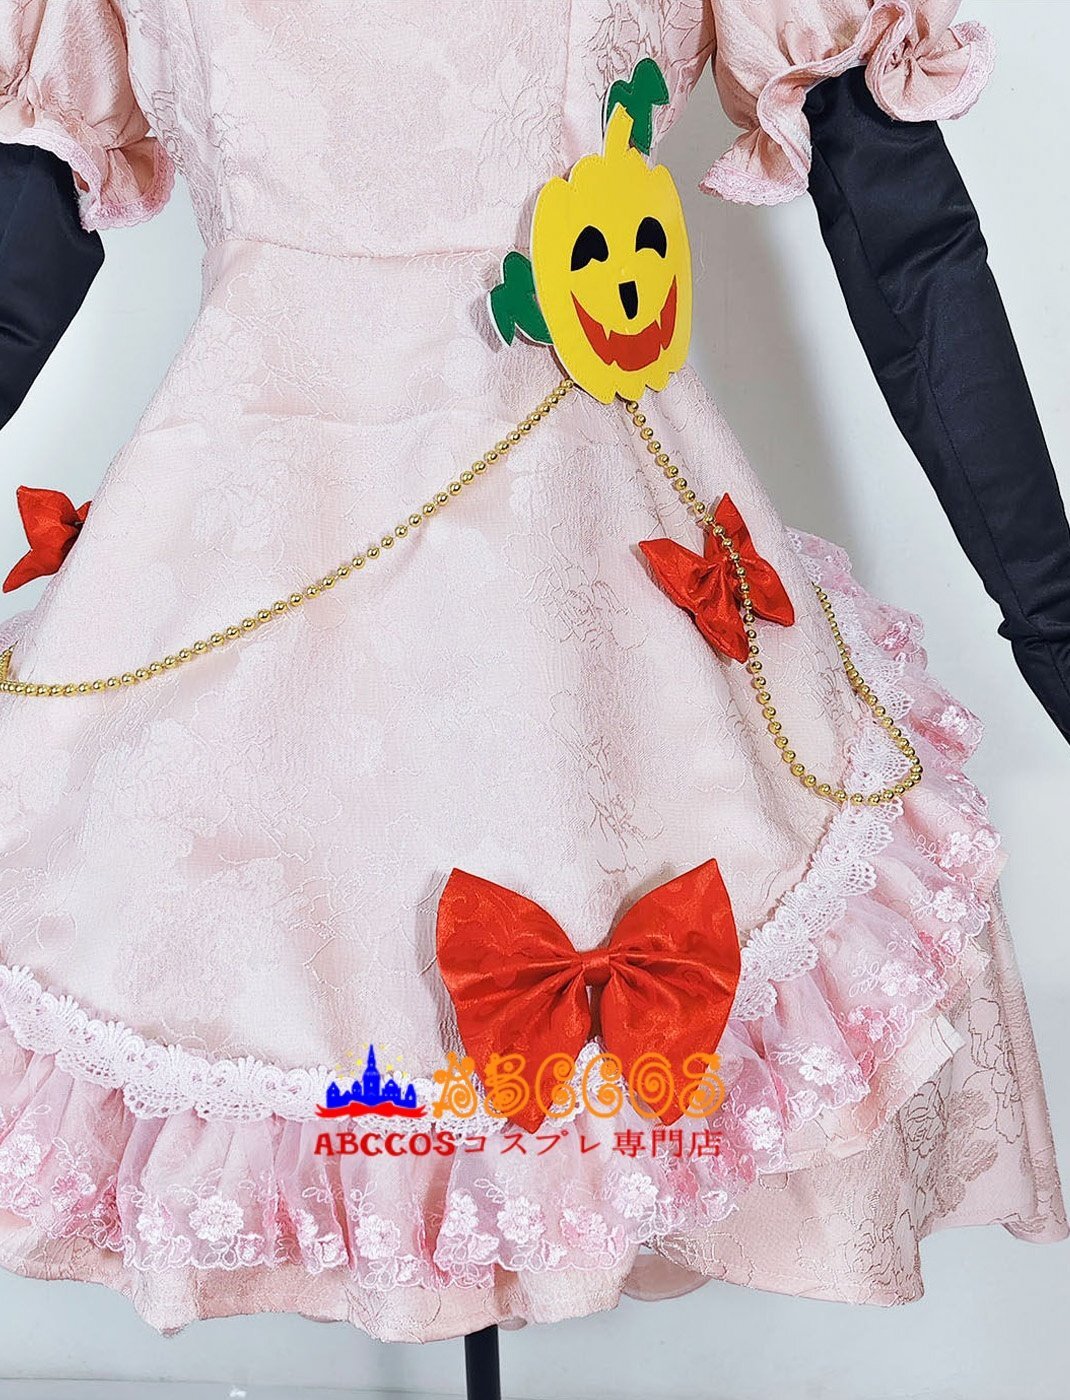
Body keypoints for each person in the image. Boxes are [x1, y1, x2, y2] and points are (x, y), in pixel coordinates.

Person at [0, 0, 1063, 1344]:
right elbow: (19, 253)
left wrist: (1049, 606)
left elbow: (900, 232)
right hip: (240, 585)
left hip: (598, 613)